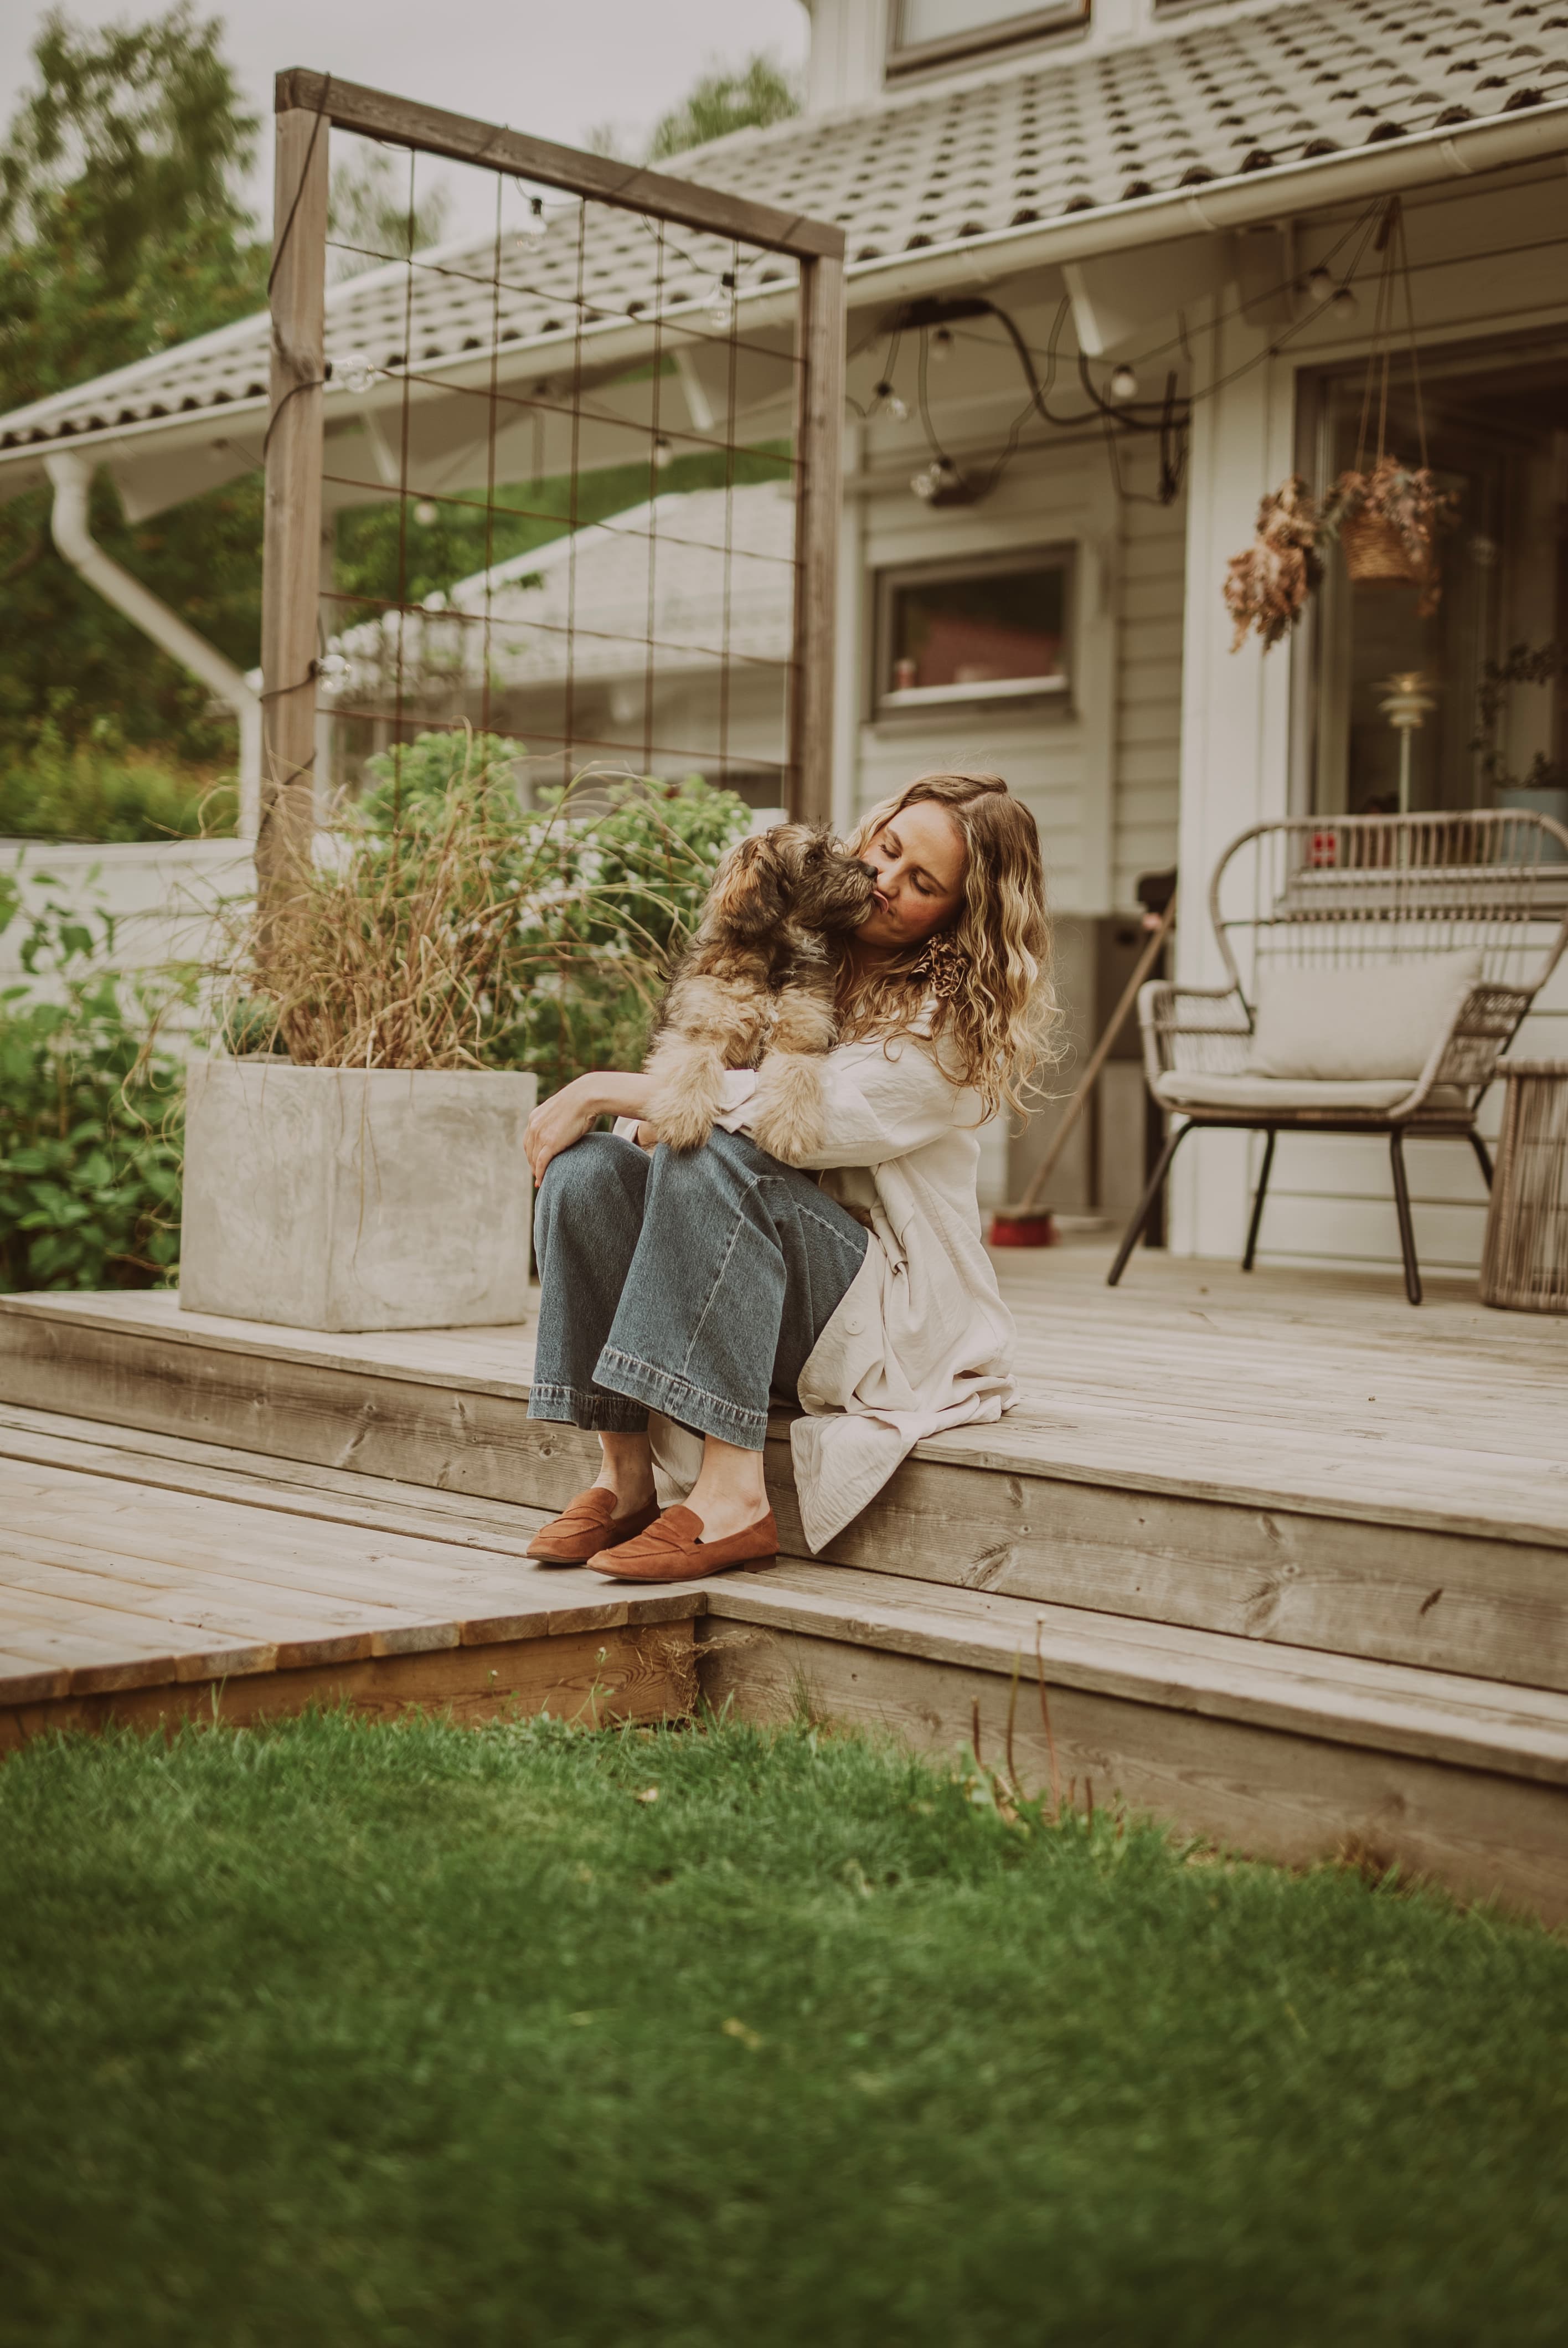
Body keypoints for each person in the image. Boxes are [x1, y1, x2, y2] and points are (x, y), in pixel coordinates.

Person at [520, 770, 1057, 1582]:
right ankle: (624, 1479)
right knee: (590, 1171)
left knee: (717, 1153)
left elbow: (795, 1127)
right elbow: (666, 1120)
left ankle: (734, 1499)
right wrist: (639, 1111)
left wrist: (601, 1088)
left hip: (872, 1313)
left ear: (962, 915)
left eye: (922, 884)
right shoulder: (796, 949)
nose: (886, 880)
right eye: (887, 849)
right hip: (741, 1292)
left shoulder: (949, 1023)